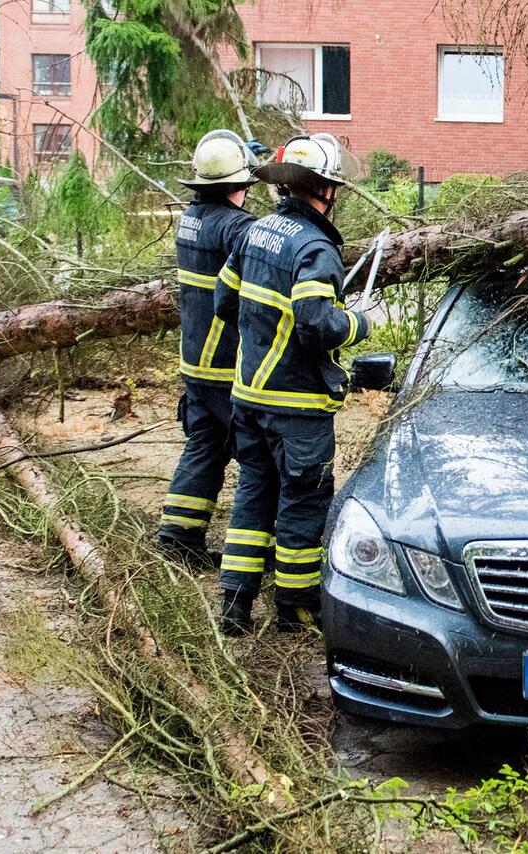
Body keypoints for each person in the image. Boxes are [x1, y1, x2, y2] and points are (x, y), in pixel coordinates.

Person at [213, 133, 370, 635]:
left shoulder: (254, 233)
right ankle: (296, 608)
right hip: (296, 408)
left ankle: (234, 606)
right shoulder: (316, 249)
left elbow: (223, 304)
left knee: (253, 495)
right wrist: (360, 323)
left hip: (247, 401)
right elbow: (316, 324)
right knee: (302, 503)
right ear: (325, 189)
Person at [155, 130, 259, 569]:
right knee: (260, 455)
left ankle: (178, 535)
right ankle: (257, 550)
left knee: (206, 442)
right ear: (240, 184)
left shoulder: (192, 218)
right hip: (226, 363)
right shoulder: (237, 227)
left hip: (194, 359)